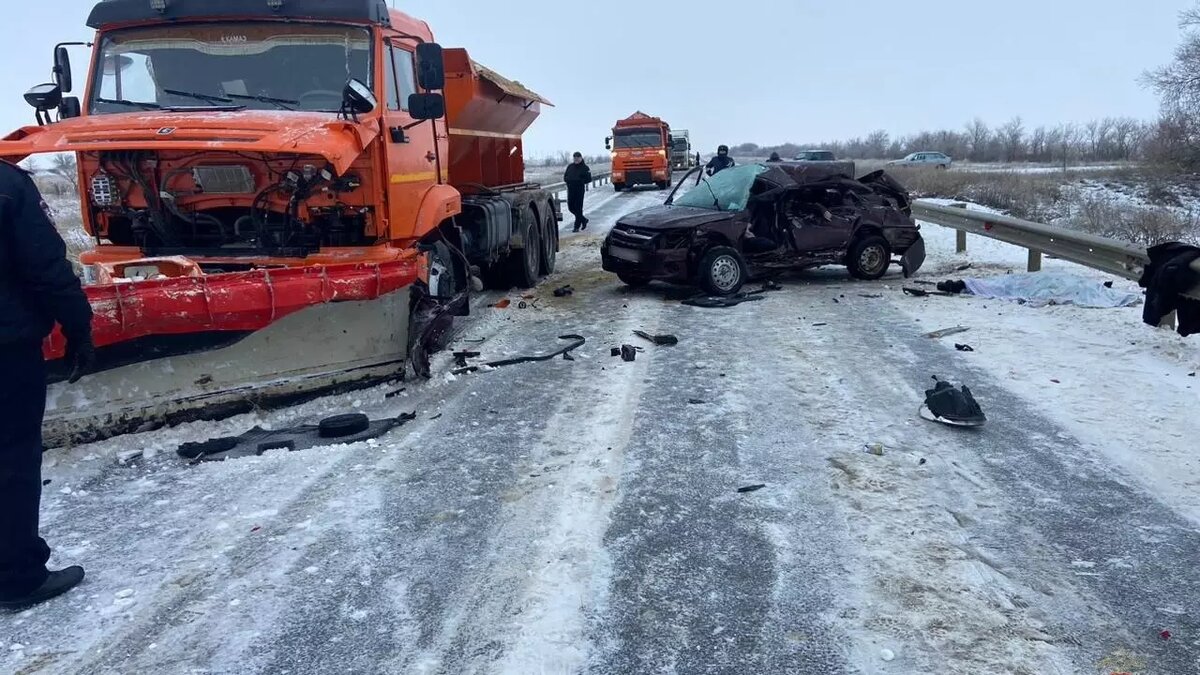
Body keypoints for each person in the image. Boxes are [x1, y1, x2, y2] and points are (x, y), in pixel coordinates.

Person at [0, 158, 94, 610]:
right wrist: (79, 326)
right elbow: (44, 266)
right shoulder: (6, 185)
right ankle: (16, 577)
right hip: (5, 350)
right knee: (10, 459)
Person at [562, 152, 592, 232]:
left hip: (579, 189)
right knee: (571, 207)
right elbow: (565, 176)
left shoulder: (585, 168)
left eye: (578, 158)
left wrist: (581, 181)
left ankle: (576, 226)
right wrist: (567, 179)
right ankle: (583, 220)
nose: (576, 159)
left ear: (581, 158)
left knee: (578, 208)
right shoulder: (570, 166)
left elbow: (589, 179)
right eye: (574, 158)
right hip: (571, 189)